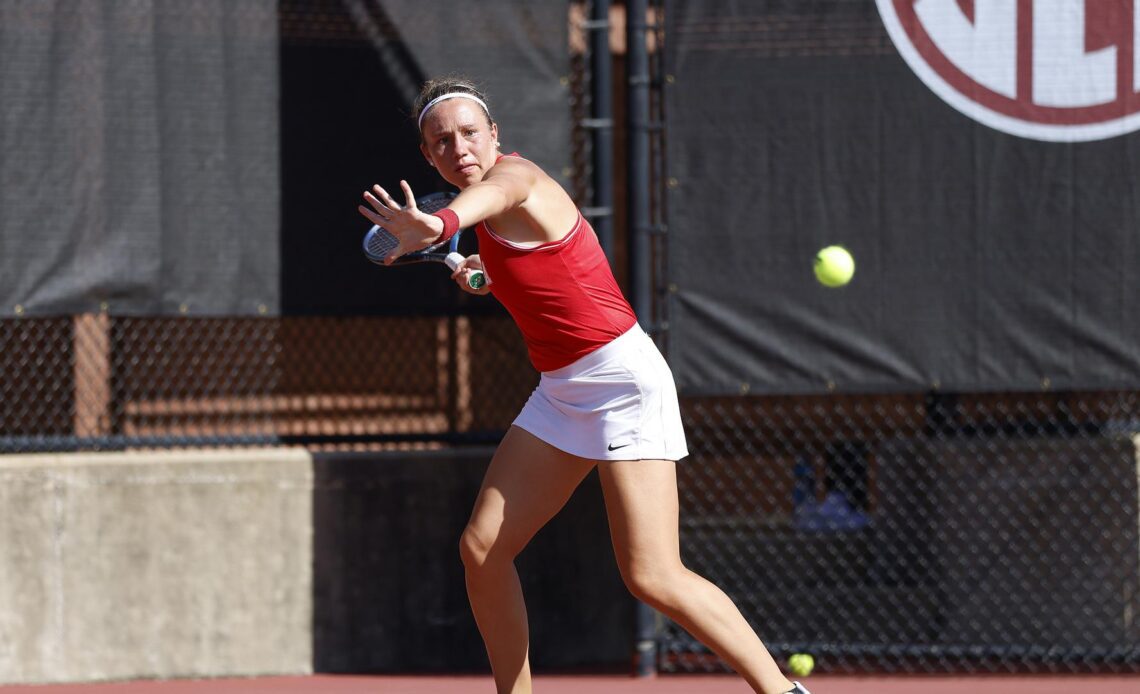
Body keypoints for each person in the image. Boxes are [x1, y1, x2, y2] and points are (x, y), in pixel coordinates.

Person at [358, 76, 812, 694]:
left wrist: (439, 230)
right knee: (482, 550)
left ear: (495, 135)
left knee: (652, 575)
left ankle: (784, 692)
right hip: (562, 389)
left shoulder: (516, 178)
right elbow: (537, 276)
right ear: (428, 156)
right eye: (442, 141)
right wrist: (480, 273)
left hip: (623, 381)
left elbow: (479, 204)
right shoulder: (487, 215)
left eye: (470, 133)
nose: (459, 147)